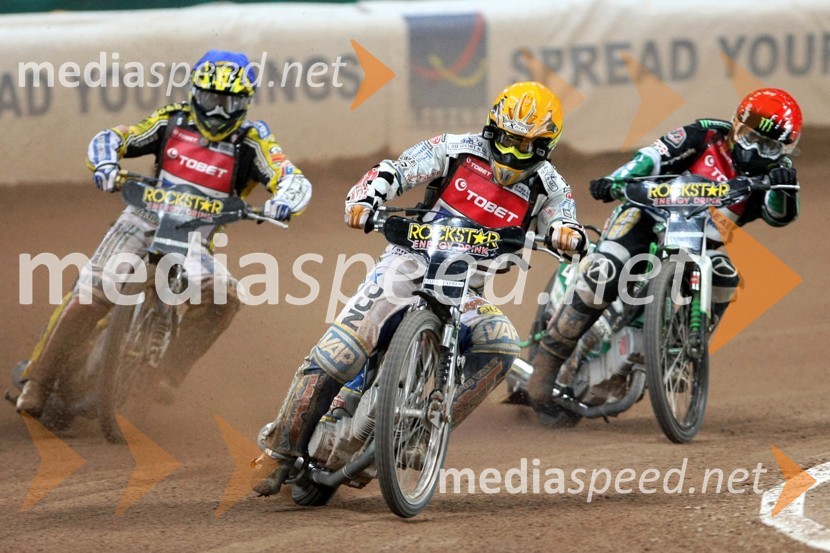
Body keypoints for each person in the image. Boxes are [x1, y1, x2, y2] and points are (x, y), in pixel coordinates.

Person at [251, 81, 589, 495]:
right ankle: (279, 452)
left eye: (527, 145)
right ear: (492, 129)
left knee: (502, 345)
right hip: (406, 265)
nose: (514, 152)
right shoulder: (455, 148)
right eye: (508, 139)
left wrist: (568, 235)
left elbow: (564, 220)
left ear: (545, 147)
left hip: (464, 288)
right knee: (339, 352)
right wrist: (366, 197)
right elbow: (397, 170)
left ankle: (424, 433)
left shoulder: (550, 186)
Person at [14, 49, 312, 418]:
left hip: (194, 237)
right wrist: (106, 164)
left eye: (229, 103)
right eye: (211, 99)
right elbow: (116, 136)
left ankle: (168, 374)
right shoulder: (171, 121)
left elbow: (289, 176)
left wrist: (284, 201)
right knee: (91, 294)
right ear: (195, 94)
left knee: (223, 296)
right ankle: (38, 382)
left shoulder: (252, 140)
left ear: (245, 102)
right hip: (142, 218)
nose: (218, 112)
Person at [527, 87, 802, 409]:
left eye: (769, 146)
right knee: (607, 269)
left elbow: (780, 215)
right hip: (646, 217)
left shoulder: (778, 174)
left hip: (700, 245)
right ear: (736, 126)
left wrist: (785, 188)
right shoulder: (704, 135)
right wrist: (615, 180)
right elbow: (651, 157)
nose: (756, 151)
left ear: (783, 149)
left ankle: (684, 351)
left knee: (725, 277)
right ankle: (548, 360)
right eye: (751, 138)